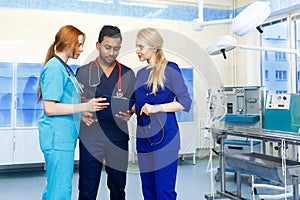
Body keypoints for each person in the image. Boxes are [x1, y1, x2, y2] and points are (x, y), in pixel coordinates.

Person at [38, 25, 105, 200]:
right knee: (59, 190)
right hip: (57, 137)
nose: (82, 49)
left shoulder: (64, 68)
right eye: (79, 45)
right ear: (69, 43)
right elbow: (50, 108)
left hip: (64, 136)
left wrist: (81, 115)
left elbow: (65, 103)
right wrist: (85, 107)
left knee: (58, 187)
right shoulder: (54, 68)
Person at [76, 25, 136, 200]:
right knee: (87, 186)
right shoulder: (83, 72)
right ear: (98, 45)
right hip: (90, 136)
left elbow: (133, 101)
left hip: (117, 137)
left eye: (116, 48)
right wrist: (85, 106)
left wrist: (130, 111)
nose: (111, 52)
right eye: (107, 47)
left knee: (118, 187)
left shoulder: (127, 73)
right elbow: (73, 100)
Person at [134, 28, 192, 200]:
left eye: (141, 47)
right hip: (143, 139)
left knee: (163, 192)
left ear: (154, 47)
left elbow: (185, 102)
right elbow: (137, 103)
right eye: (136, 46)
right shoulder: (141, 74)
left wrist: (157, 108)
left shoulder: (170, 69)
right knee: (148, 191)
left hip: (166, 139)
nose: (137, 50)